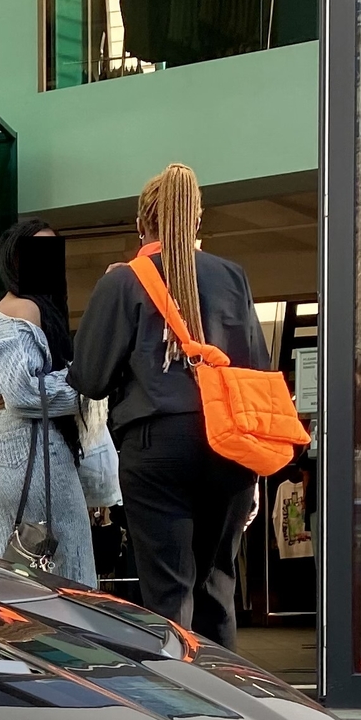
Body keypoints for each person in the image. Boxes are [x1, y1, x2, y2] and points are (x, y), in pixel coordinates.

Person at [72, 162, 271, 645]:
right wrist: (257, 475)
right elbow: (258, 375)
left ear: (143, 224)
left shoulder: (124, 281)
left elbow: (91, 378)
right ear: (197, 221)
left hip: (156, 445)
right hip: (229, 444)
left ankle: (176, 710)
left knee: (167, 594)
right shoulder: (232, 277)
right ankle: (227, 712)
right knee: (218, 587)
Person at [0, 218, 95, 588]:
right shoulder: (25, 309)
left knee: (12, 586)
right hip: (26, 449)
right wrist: (89, 389)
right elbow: (22, 393)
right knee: (73, 580)